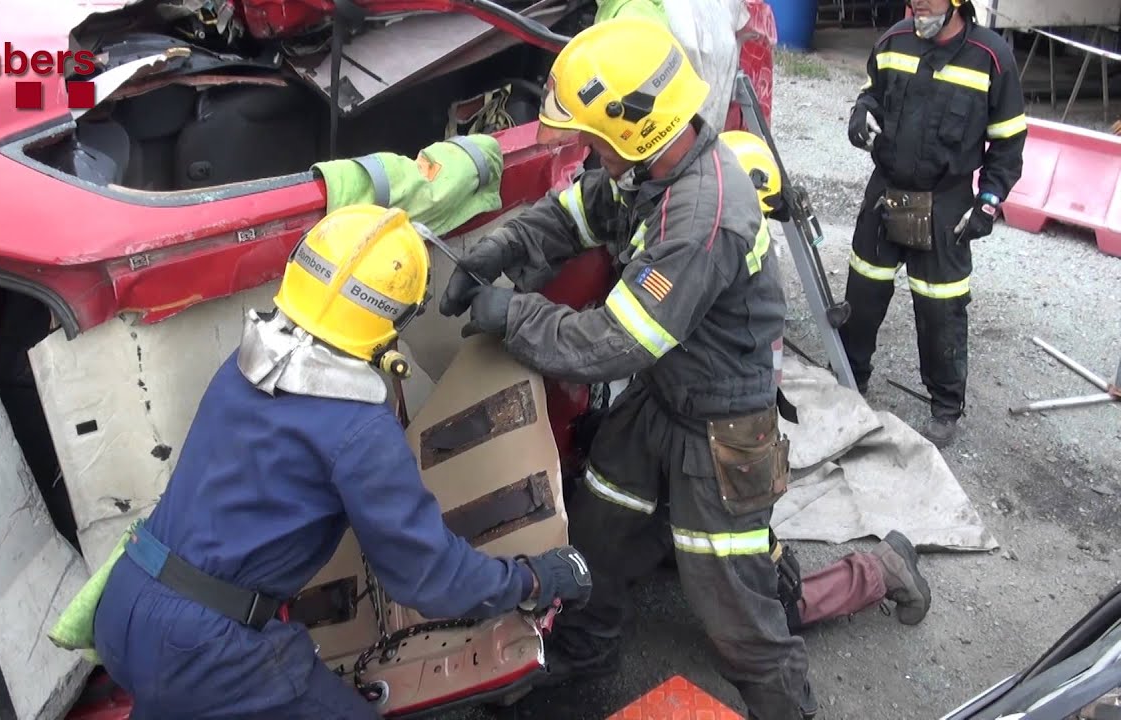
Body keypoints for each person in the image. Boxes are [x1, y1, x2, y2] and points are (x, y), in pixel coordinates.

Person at [440, 17, 815, 719]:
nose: (590, 152)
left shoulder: (700, 218)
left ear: (636, 130)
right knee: (600, 530)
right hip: (662, 396)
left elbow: (615, 343)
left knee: (733, 608)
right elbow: (574, 213)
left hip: (721, 424)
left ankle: (788, 705)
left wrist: (512, 315)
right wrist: (502, 247)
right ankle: (586, 650)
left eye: (595, 139)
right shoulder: (653, 169)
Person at [90, 204, 593, 719]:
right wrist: (533, 579)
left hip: (126, 604)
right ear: (396, 319)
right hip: (204, 650)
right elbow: (429, 578)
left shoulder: (245, 366)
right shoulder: (357, 430)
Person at [720, 129, 934, 635]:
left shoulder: (737, 271)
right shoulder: (728, 245)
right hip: (714, 428)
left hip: (730, 435)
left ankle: (880, 571)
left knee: (757, 611)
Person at [839, 0, 1027, 447]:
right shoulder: (893, 41)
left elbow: (1008, 142)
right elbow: (871, 95)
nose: (918, 2)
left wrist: (987, 202)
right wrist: (861, 114)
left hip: (946, 203)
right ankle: (848, 379)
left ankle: (945, 407)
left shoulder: (991, 57)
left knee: (941, 309)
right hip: (887, 190)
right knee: (862, 292)